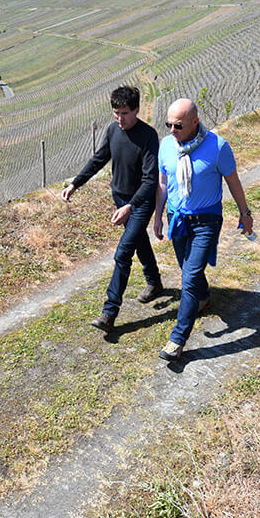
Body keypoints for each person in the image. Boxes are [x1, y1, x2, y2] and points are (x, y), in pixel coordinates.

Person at [153, 99, 253, 361]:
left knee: (189, 276)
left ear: (195, 122)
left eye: (178, 125)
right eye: (168, 124)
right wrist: (158, 215)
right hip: (177, 217)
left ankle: (177, 339)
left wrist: (245, 213)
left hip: (206, 220)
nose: (172, 130)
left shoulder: (218, 147)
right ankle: (204, 297)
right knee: (188, 269)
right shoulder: (166, 146)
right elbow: (163, 183)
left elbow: (233, 181)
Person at [62, 85, 163, 333]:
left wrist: (131, 206)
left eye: (125, 113)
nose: (120, 119)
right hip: (120, 197)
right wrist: (76, 182)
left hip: (140, 203)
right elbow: (99, 159)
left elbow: (150, 180)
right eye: (116, 113)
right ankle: (155, 282)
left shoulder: (149, 136)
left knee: (123, 252)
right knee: (138, 240)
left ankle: (109, 312)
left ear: (137, 110)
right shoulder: (112, 130)